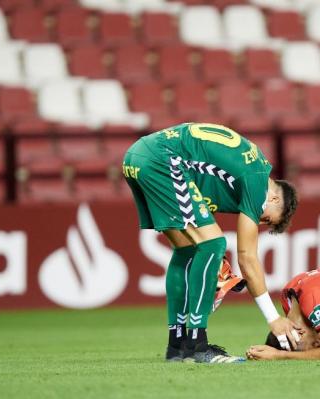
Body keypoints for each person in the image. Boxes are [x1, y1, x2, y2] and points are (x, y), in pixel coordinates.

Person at [122, 122, 299, 363]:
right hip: (162, 158)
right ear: (275, 196)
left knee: (186, 249)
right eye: (265, 217)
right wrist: (273, 318)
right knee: (214, 244)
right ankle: (198, 345)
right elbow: (247, 257)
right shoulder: (258, 180)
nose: (257, 220)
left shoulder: (238, 175)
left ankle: (177, 345)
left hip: (136, 156)